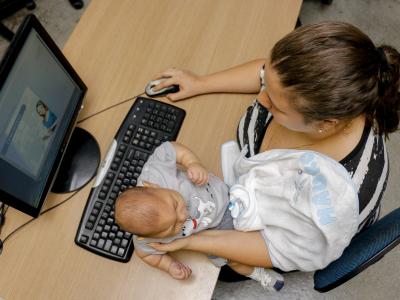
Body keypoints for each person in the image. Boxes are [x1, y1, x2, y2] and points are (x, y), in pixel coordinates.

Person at [145, 21, 400, 281]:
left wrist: (191, 242)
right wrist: (201, 82)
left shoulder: (332, 196)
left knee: (212, 271)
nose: (260, 97)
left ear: (325, 124)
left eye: (275, 105)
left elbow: (276, 247)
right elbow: (267, 75)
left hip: (275, 238)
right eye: (266, 84)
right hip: (240, 191)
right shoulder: (302, 90)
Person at [115, 141, 285, 291]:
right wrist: (169, 266)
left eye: (175, 205)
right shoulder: (146, 240)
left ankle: (237, 183)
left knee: (268, 214)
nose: (182, 217)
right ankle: (258, 273)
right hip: (212, 233)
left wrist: (192, 162)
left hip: (225, 195)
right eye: (171, 227)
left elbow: (170, 148)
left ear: (153, 186)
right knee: (233, 261)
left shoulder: (155, 175)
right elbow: (146, 255)